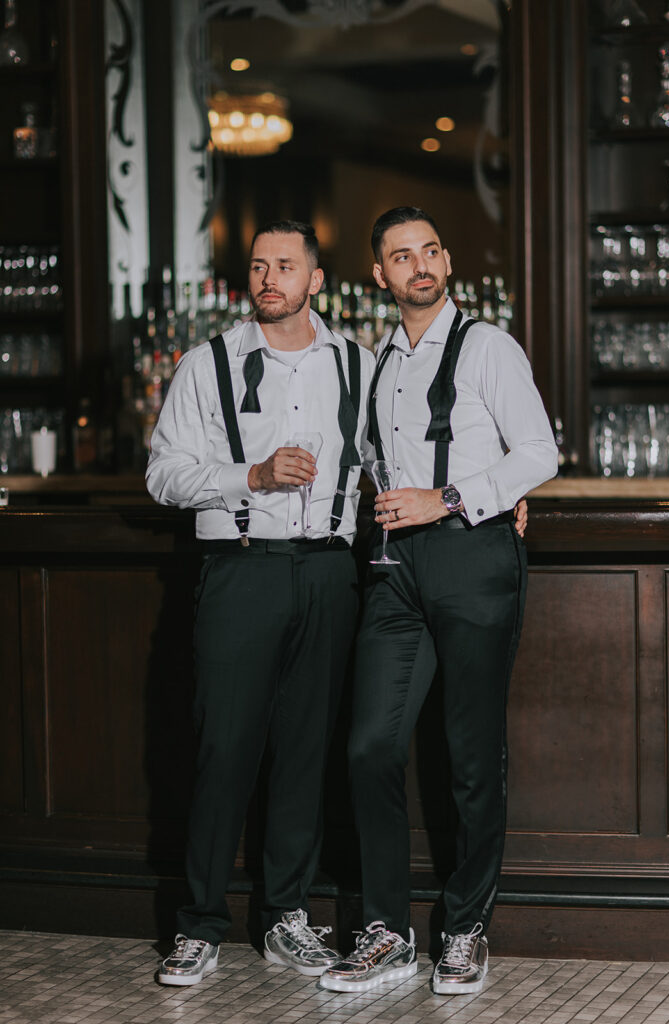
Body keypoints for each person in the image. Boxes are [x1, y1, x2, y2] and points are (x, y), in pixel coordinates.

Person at [320, 207, 558, 997]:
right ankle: (385, 931)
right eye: (400, 256)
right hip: (395, 567)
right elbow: (367, 456)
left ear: (447, 262)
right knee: (369, 746)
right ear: (379, 275)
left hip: (472, 557)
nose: (418, 265)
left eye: (428, 251)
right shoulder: (376, 360)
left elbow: (538, 451)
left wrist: (455, 497)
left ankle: (464, 928)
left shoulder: (488, 346)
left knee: (469, 752)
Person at [146, 220, 376, 985]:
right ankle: (199, 925)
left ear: (316, 279)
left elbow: (401, 455)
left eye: (284, 265)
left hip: (329, 573)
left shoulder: (359, 363)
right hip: (240, 571)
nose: (268, 278)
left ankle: (286, 917)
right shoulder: (207, 363)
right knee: (224, 747)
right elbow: (163, 474)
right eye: (256, 266)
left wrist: (497, 494)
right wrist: (250, 476)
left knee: (306, 752)